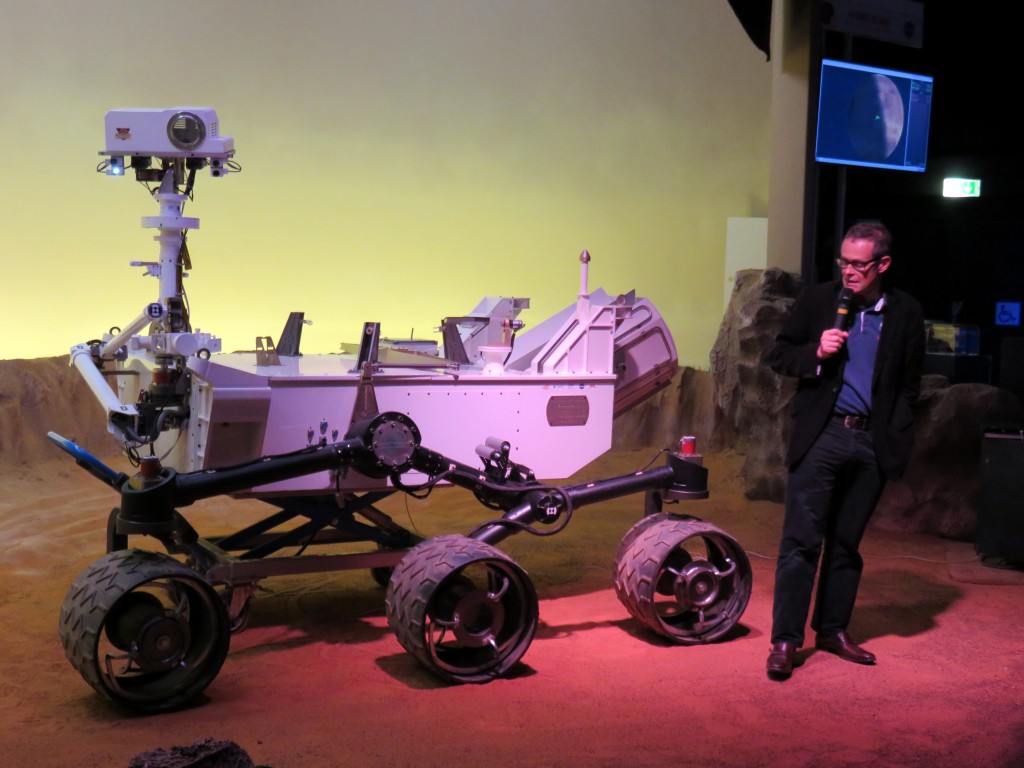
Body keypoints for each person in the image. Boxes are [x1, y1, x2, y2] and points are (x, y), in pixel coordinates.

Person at [765, 220, 925, 680]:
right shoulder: (819, 301)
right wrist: (815, 352)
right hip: (824, 435)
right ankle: (785, 641)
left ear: (883, 264)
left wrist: (895, 430)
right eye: (844, 262)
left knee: (846, 543)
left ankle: (832, 630)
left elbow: (909, 385)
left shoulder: (906, 312)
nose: (849, 272)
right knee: (800, 541)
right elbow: (780, 356)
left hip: (871, 441)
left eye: (859, 264)